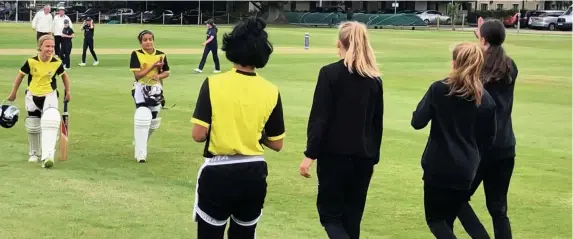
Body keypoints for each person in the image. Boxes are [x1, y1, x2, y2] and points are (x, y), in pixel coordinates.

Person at [190, 17, 284, 239]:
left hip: (218, 172)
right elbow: (277, 143)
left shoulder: (213, 83)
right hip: (253, 172)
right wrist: (255, 134)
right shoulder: (271, 90)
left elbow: (198, 134)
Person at [299, 21, 383, 239]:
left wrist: (310, 155)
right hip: (363, 158)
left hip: (335, 157)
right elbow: (376, 124)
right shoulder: (374, 80)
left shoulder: (329, 74)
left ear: (339, 43)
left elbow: (319, 118)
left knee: (331, 217)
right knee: (352, 220)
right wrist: (373, 157)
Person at [411, 42, 497, 239]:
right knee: (456, 212)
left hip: (438, 165)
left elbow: (417, 122)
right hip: (466, 168)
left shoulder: (439, 90)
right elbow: (488, 140)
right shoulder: (486, 100)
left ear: (455, 63)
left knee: (436, 220)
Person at [457, 19, 519, 239]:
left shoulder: (477, 68)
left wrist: (480, 43)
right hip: (505, 147)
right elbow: (496, 57)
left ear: (483, 39)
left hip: (481, 149)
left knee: (457, 199)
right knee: (498, 209)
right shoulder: (510, 66)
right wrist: (484, 39)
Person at [6, 35, 71, 169]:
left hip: (50, 94)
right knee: (33, 125)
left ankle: (48, 155)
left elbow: (64, 76)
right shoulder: (31, 62)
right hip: (32, 94)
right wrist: (13, 92)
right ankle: (34, 153)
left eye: (52, 46)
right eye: (47, 46)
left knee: (51, 121)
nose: (51, 49)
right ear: (40, 47)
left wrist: (67, 91)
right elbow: (20, 76)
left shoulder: (56, 62)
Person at [130, 30, 170, 163]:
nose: (148, 42)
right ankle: (141, 154)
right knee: (142, 114)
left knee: (152, 121)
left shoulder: (161, 55)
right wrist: (153, 66)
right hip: (140, 87)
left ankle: (140, 142)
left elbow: (166, 73)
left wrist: (158, 75)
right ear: (141, 42)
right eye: (145, 40)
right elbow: (138, 75)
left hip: (156, 88)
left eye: (150, 39)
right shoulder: (136, 54)